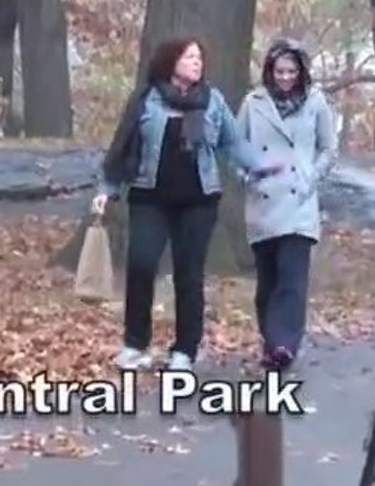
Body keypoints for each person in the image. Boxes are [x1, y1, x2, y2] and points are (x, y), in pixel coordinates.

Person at [91, 37, 281, 372]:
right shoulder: (146, 99)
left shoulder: (212, 101)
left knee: (188, 273)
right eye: (189, 57)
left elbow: (233, 142)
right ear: (171, 61)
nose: (197, 63)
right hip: (149, 196)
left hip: (199, 201)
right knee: (141, 265)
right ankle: (136, 344)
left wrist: (261, 165)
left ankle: (185, 349)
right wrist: (108, 188)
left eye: (199, 58)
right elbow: (123, 144)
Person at [237, 39, 339, 371]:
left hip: (299, 202)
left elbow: (328, 148)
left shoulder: (316, 102)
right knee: (268, 280)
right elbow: (237, 147)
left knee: (292, 280)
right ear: (269, 71)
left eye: (291, 72)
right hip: (264, 199)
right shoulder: (253, 104)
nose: (285, 78)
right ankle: (271, 341)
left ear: (301, 72)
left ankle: (284, 345)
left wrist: (312, 175)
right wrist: (248, 173)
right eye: (279, 71)